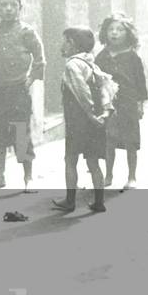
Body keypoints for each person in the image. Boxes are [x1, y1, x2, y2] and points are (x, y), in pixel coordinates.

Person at [0, 0, 45, 191]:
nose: (8, 9)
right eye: (3, 5)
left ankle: (28, 178)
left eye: (13, 5)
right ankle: (0, 176)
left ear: (20, 8)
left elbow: (40, 60)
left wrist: (30, 80)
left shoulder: (27, 32)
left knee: (20, 133)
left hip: (18, 91)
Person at [52, 27, 110, 214]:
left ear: (73, 44)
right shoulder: (91, 63)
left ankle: (70, 201)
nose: (62, 45)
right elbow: (105, 88)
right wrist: (105, 112)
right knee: (93, 162)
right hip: (94, 121)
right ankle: (99, 202)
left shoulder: (72, 65)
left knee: (70, 159)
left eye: (65, 41)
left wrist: (91, 114)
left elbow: (81, 93)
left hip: (80, 121)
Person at [95, 13, 148, 190]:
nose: (115, 33)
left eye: (119, 30)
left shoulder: (133, 57)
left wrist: (140, 104)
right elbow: (95, 78)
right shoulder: (102, 56)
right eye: (111, 29)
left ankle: (131, 176)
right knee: (109, 139)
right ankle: (108, 174)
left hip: (128, 102)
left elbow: (140, 82)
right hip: (108, 103)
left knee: (130, 140)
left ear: (128, 34)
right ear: (105, 32)